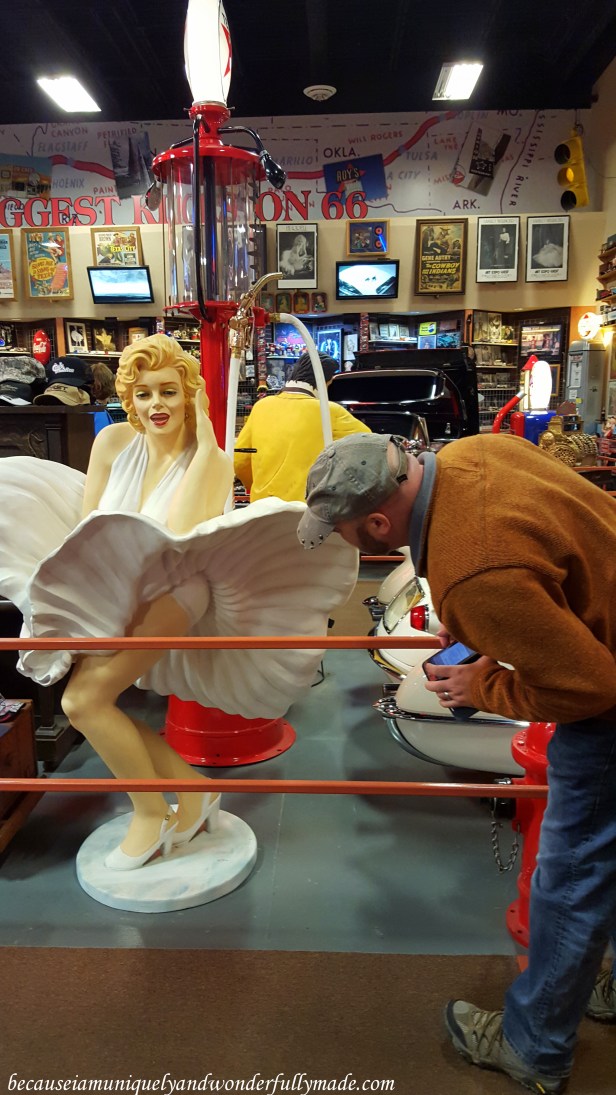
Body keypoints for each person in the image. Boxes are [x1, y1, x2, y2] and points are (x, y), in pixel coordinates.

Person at [297, 430, 616, 1093]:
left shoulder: (475, 572)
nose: (345, 541)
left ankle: (535, 1045)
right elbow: (544, 554)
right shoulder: (474, 453)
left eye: (346, 531)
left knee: (571, 876)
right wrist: (484, 632)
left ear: (378, 523)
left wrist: (484, 685)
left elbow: (590, 687)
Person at [0, 335, 359, 872]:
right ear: (129, 398)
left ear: (189, 394)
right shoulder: (113, 443)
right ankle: (193, 791)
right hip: (114, 590)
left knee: (83, 703)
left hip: (176, 590)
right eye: (143, 394)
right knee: (99, 703)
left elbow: (178, 540)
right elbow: (89, 528)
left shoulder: (208, 458)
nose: (156, 405)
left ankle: (150, 812)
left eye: (169, 391)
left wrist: (207, 441)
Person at [234, 351, 370, 503]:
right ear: (324, 382)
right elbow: (369, 450)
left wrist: (258, 486)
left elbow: (240, 460)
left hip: (262, 506)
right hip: (308, 510)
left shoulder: (261, 407)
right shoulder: (329, 412)